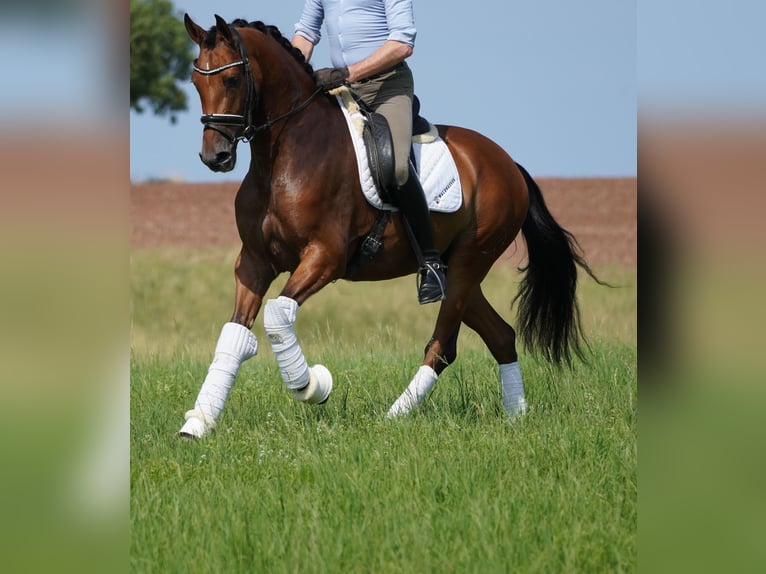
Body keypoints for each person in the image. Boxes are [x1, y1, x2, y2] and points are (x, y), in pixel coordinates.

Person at [291, 0, 446, 304]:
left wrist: (347, 73)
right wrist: (292, 71)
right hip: (342, 88)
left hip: (387, 86)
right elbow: (306, 34)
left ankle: (432, 263)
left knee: (398, 168)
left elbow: (402, 44)